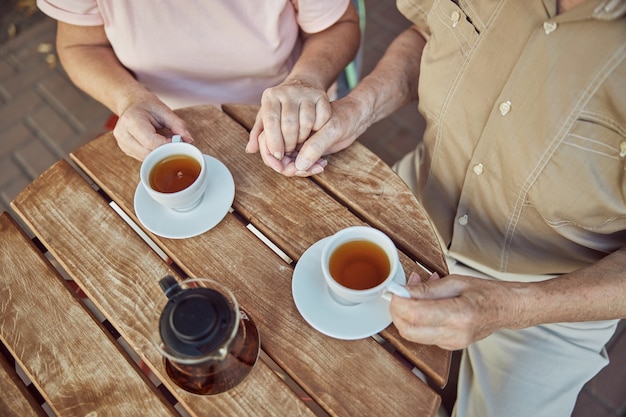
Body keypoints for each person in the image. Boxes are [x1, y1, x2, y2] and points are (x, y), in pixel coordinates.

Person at [247, 0, 626, 415]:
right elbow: (429, 35)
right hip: (412, 206)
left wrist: (512, 306)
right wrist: (357, 109)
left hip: (554, 289)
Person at [36, 0, 360, 160]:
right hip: (164, 126)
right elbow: (80, 45)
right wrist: (128, 99)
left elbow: (339, 25)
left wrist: (304, 81)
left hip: (283, 118)